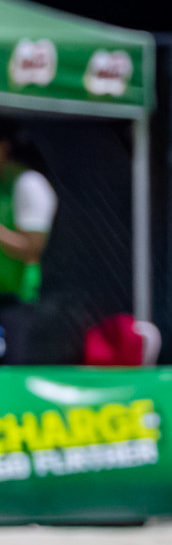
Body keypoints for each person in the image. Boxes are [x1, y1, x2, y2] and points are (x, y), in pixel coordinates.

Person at [0, 118, 57, 365]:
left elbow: (32, 248)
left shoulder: (29, 185)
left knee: (10, 377)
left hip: (14, 302)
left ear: (3, 147)